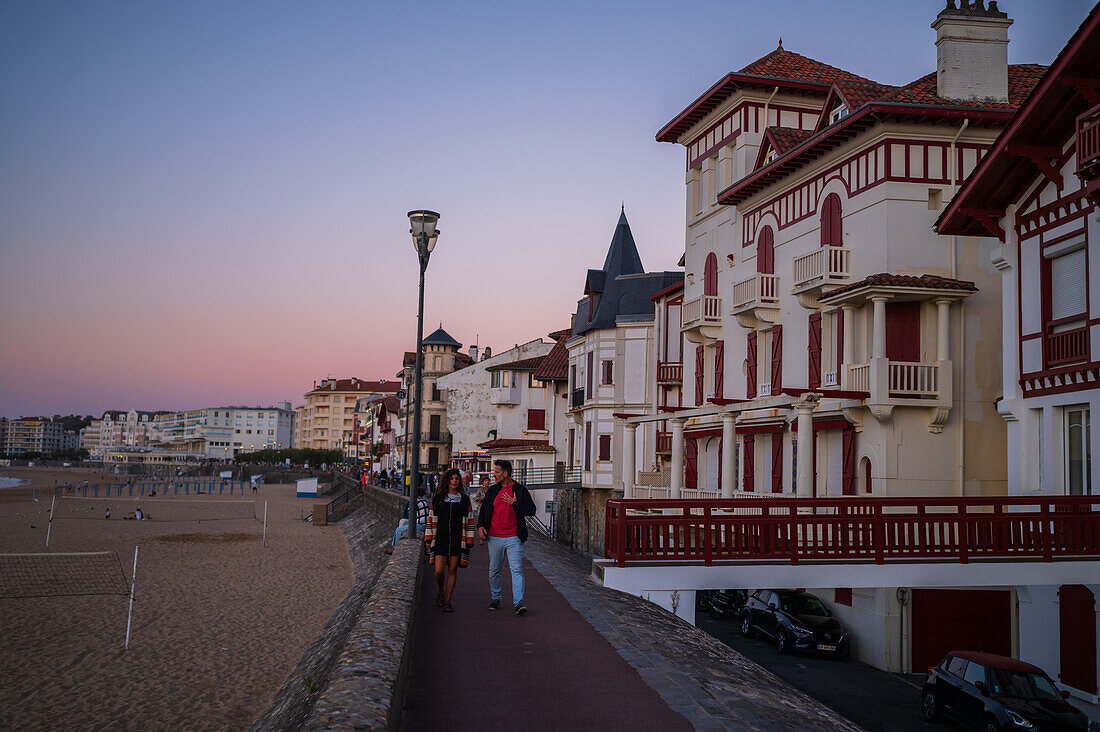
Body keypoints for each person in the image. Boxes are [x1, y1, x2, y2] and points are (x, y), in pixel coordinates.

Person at [477, 459, 536, 615]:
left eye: (496, 472)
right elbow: (484, 510)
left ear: (505, 473)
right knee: (494, 570)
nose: (494, 475)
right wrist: (480, 526)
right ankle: (495, 598)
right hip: (494, 537)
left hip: (514, 537)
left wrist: (514, 504)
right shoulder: (493, 490)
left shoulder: (520, 490)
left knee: (517, 570)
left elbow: (531, 510)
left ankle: (519, 603)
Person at [424, 468, 475, 613]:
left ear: (459, 481)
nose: (454, 481)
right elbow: (431, 518)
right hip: (440, 538)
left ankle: (448, 601)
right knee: (438, 571)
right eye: (451, 479)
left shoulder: (464, 499)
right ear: (447, 480)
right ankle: (441, 591)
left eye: (456, 479)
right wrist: (428, 537)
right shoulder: (438, 497)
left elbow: (470, 519)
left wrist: (470, 539)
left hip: (458, 539)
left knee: (453, 570)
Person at [384, 488, 429, 554]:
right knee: (402, 523)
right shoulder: (424, 502)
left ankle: (394, 548)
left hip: (420, 526)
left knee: (398, 530)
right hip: (425, 525)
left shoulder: (414, 502)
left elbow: (408, 515)